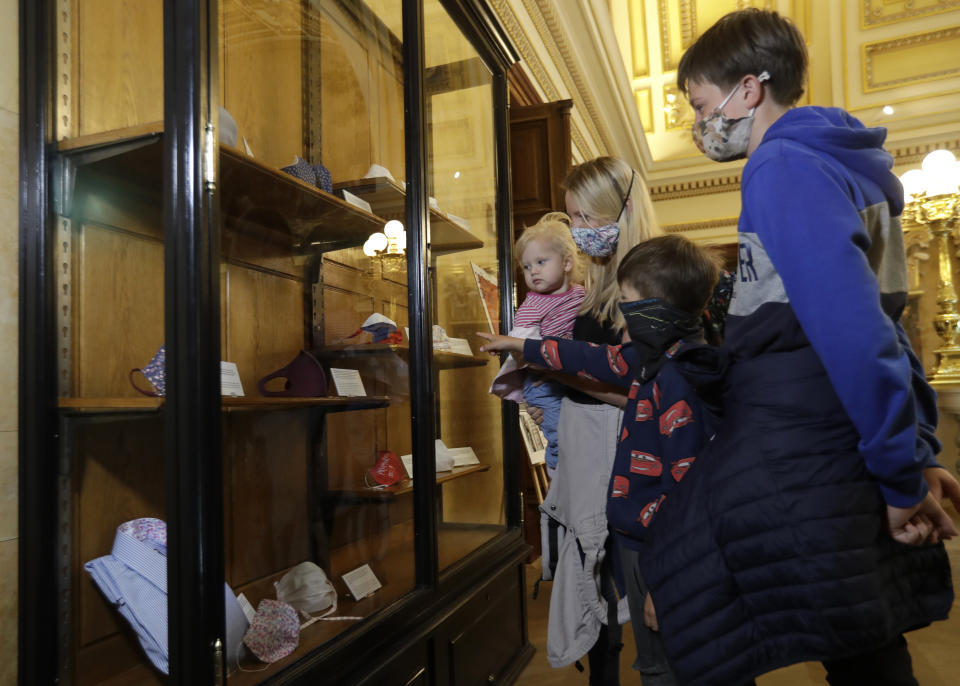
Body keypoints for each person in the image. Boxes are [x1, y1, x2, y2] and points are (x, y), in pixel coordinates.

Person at [635, 9, 960, 686]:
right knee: (859, 632)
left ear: (748, 90)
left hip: (800, 424)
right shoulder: (846, 166)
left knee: (678, 571)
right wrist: (916, 451)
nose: (700, 122)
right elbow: (890, 330)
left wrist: (902, 476)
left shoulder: (781, 162)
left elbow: (854, 330)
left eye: (701, 104)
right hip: (829, 428)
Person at [480, 234, 725, 686]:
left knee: (668, 666)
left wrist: (669, 582)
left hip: (664, 554)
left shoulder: (679, 381)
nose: (622, 316)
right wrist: (525, 348)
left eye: (629, 301)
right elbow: (594, 357)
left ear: (658, 308)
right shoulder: (652, 360)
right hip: (639, 540)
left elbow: (688, 498)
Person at [491, 213, 584, 473]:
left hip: (569, 376)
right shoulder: (533, 304)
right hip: (544, 382)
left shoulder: (581, 294)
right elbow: (519, 340)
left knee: (575, 431)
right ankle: (558, 472)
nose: (533, 271)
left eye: (541, 262)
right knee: (559, 434)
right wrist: (505, 344)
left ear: (567, 263)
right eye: (526, 266)